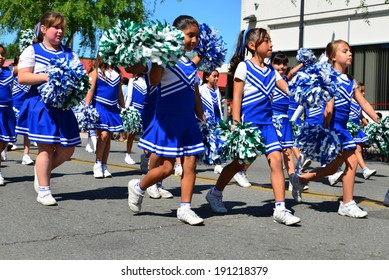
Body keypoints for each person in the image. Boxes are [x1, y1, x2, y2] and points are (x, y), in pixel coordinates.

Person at [205, 28, 301, 226]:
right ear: (252, 45)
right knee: (238, 164)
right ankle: (215, 193)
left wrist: (309, 91)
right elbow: (237, 97)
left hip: (268, 124)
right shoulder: (244, 67)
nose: (271, 45)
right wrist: (236, 124)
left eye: (270, 40)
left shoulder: (272, 72)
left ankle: (280, 208)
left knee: (276, 160)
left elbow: (290, 90)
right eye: (266, 41)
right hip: (249, 125)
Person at [127, 15, 206, 225]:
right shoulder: (161, 58)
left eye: (196, 36)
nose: (194, 40)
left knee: (190, 164)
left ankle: (185, 208)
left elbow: (194, 92)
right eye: (190, 35)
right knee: (166, 168)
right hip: (168, 121)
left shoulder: (190, 64)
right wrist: (161, 57)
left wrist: (202, 116)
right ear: (176, 34)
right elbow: (153, 82)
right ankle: (139, 186)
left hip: (188, 121)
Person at [289, 39, 380, 218]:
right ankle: (347, 203)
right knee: (352, 160)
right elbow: (328, 107)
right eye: (345, 51)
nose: (350, 54)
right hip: (334, 128)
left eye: (350, 51)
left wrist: (378, 120)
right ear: (333, 57)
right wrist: (324, 131)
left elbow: (362, 102)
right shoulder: (329, 77)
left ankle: (299, 179)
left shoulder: (351, 80)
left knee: (332, 169)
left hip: (342, 127)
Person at [17, 12, 82, 205]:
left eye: (62, 27)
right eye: (56, 27)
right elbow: (23, 77)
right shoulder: (33, 50)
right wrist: (47, 77)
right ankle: (44, 190)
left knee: (68, 149)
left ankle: (41, 172)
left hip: (63, 107)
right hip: (40, 105)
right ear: (44, 29)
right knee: (45, 148)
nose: (60, 31)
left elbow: (80, 78)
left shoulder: (70, 53)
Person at [85, 56, 125, 178]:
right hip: (100, 106)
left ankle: (104, 164)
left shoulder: (117, 73)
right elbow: (90, 90)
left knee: (109, 137)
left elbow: (119, 93)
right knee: (104, 134)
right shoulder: (97, 71)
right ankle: (97, 163)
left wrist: (124, 109)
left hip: (112, 108)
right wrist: (86, 107)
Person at [270, 52, 297, 190]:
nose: (281, 66)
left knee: (287, 150)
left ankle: (293, 180)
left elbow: (292, 73)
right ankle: (241, 170)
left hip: (285, 118)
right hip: (272, 118)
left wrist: (305, 63)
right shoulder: (269, 79)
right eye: (277, 63)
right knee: (260, 150)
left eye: (284, 64)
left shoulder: (286, 80)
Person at [199, 70, 224, 174]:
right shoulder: (201, 89)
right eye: (214, 76)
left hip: (216, 120)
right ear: (207, 77)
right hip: (203, 121)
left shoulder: (217, 90)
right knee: (201, 143)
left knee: (218, 141)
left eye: (217, 76)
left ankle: (218, 164)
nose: (216, 78)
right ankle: (183, 164)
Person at [11, 54, 34, 165]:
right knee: (10, 128)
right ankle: (5, 148)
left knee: (26, 130)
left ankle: (26, 154)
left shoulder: (29, 77)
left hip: (25, 106)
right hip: (13, 106)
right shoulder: (10, 77)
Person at [0, 44, 17, 186]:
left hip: (7, 112)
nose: (1, 57)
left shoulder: (9, 71)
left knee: (4, 142)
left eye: (3, 54)